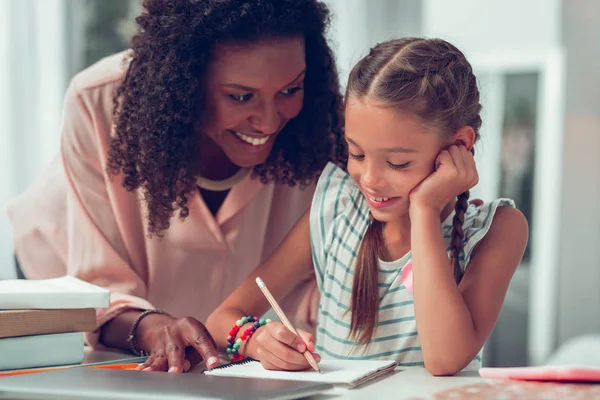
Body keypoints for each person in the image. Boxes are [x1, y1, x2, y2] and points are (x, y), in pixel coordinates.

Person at [6, 0, 345, 373]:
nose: (268, 121)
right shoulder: (98, 103)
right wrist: (155, 330)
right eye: (240, 96)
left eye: (289, 89)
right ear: (185, 83)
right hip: (73, 281)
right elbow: (97, 291)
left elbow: (318, 275)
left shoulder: (322, 123)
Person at [207, 37, 528, 375]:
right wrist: (257, 341)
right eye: (356, 154)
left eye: (398, 163)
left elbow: (444, 358)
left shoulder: (497, 229)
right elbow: (221, 318)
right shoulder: (338, 206)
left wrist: (424, 211)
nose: (370, 179)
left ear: (459, 145)